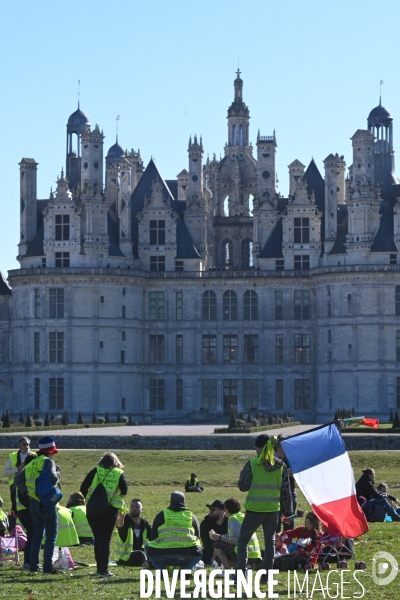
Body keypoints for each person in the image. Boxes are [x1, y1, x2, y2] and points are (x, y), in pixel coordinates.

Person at [237, 434, 293, 579]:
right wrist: (288, 512)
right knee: (270, 543)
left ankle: (240, 574)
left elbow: (243, 486)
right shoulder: (281, 465)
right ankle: (267, 575)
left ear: (259, 448)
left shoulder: (253, 463)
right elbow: (286, 492)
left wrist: (242, 475)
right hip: (273, 510)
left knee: (243, 541)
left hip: (254, 510)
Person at [15, 435, 61, 575]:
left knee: (37, 535)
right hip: (46, 503)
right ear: (51, 450)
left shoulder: (31, 463)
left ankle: (34, 566)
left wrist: (26, 492)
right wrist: (59, 473)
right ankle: (47, 567)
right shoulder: (48, 462)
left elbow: (18, 479)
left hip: (33, 503)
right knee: (51, 534)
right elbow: (53, 479)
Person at [80, 452, 128, 578]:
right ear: (116, 462)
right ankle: (104, 570)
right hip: (110, 509)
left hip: (93, 509)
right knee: (105, 539)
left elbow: (83, 487)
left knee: (97, 538)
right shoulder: (118, 473)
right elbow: (125, 490)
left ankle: (99, 568)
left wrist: (89, 499)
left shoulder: (95, 471)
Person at [146, 491, 202, 570]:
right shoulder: (191, 516)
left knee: (148, 546)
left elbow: (153, 537)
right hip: (187, 557)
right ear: (184, 502)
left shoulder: (161, 515)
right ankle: (186, 570)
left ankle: (161, 570)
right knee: (199, 550)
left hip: (164, 556)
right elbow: (198, 538)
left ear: (170, 502)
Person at [210, 498, 261, 570]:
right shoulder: (242, 517)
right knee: (218, 556)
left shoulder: (232, 519)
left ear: (227, 509)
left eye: (225, 508)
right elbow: (235, 536)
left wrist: (220, 537)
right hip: (255, 554)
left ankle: (229, 571)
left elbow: (234, 540)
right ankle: (247, 566)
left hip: (245, 553)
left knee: (217, 545)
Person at [3, 436, 36, 514]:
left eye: (28, 444)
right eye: (24, 444)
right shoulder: (13, 456)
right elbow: (5, 473)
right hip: (15, 488)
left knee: (32, 508)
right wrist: (18, 469)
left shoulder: (34, 455)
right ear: (19, 445)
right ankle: (14, 525)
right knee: (15, 508)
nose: (26, 446)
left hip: (31, 488)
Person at [115, 498, 152, 566]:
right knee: (140, 554)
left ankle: (147, 562)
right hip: (124, 557)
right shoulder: (125, 520)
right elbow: (119, 526)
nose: (134, 509)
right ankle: (145, 564)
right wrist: (121, 518)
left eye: (137, 506)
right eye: (132, 507)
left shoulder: (144, 523)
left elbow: (153, 538)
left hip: (140, 553)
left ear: (142, 509)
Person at [200, 500, 228, 565]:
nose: (210, 511)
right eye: (210, 509)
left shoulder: (229, 522)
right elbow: (207, 543)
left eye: (213, 509)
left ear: (221, 512)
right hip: (210, 551)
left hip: (227, 550)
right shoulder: (205, 523)